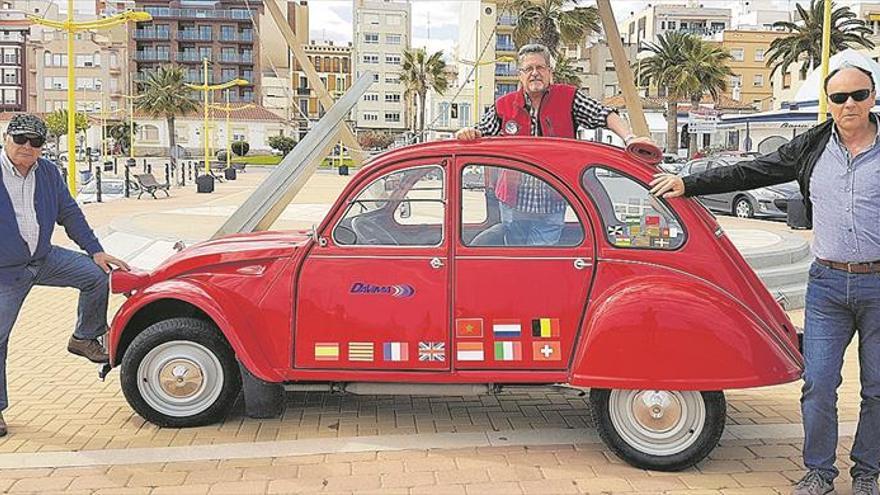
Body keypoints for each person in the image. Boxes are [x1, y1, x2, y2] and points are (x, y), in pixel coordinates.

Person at [650, 64, 880, 495]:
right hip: (828, 284)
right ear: (828, 104)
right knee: (818, 384)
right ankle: (819, 472)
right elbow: (750, 171)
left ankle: (867, 473)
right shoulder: (812, 147)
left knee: (878, 389)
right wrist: (687, 182)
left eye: (858, 95)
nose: (849, 104)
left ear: (872, 97)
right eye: (839, 97)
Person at [0, 114, 130, 437]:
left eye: (36, 142)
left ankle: (84, 337)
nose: (27, 147)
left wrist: (96, 251)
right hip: (5, 272)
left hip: (42, 258)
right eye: (21, 140)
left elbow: (69, 213)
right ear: (7, 138)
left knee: (96, 275)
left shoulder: (47, 172)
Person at [456, 43, 659, 245]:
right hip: (513, 202)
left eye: (540, 68)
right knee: (515, 257)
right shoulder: (505, 105)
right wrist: (469, 133)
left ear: (550, 72)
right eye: (528, 69)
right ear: (520, 75)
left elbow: (604, 114)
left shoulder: (569, 98)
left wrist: (630, 138)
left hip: (552, 201)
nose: (534, 73)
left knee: (544, 260)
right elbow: (482, 130)